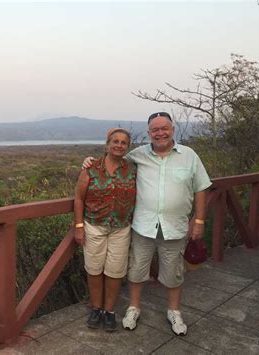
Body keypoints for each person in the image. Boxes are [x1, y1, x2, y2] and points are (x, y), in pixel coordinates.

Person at [82, 112, 211, 335]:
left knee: (174, 273)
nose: (160, 133)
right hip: (143, 226)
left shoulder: (189, 156)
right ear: (149, 133)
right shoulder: (138, 155)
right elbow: (114, 159)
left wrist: (198, 220)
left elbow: (201, 187)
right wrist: (90, 161)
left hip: (175, 227)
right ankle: (134, 308)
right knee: (136, 271)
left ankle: (174, 311)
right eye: (155, 130)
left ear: (173, 129)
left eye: (165, 128)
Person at [74, 128, 136, 332]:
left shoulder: (132, 168)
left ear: (128, 147)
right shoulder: (91, 167)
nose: (119, 145)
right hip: (94, 226)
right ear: (107, 144)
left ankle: (109, 311)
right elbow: (79, 198)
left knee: (115, 271)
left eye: (123, 142)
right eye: (115, 141)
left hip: (121, 228)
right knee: (94, 269)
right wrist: (79, 225)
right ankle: (96, 308)